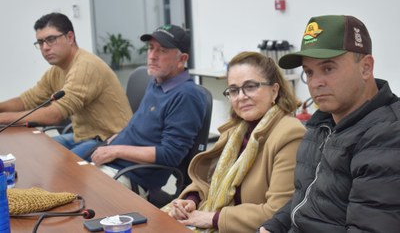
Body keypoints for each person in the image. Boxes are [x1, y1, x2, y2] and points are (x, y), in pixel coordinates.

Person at [259, 15, 400, 233]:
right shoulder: (322, 124)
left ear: (366, 67)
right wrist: (273, 226)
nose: (316, 83)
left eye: (328, 69)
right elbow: (305, 199)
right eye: (309, 72)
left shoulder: (387, 136)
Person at [164, 51, 306, 233]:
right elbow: (209, 180)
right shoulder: (236, 130)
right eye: (234, 90)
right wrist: (191, 200)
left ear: (274, 90)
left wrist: (212, 218)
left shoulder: (290, 134)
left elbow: (277, 212)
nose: (241, 96)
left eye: (251, 86)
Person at [91, 24, 208, 199]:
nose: (152, 56)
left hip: (130, 177)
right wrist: (121, 137)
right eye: (151, 48)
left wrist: (116, 150)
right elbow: (145, 124)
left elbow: (170, 155)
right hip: (112, 164)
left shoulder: (187, 96)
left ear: (181, 59)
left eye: (162, 50)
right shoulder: (158, 81)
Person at [0, 12, 132, 158]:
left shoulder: (86, 66)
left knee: (56, 166)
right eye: (40, 42)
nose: (45, 47)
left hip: (110, 139)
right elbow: (27, 100)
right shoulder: (57, 70)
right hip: (83, 136)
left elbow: (55, 115)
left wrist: (2, 118)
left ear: (70, 37)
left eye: (51, 39)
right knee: (32, 150)